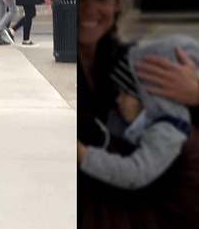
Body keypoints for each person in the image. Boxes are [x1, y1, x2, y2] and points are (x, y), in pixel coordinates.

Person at [78, 0, 199, 229]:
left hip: (136, 225)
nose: (89, 9)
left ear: (119, 2)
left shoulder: (141, 63)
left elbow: (141, 169)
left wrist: (196, 95)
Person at [78, 35, 199, 190]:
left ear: (150, 96)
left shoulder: (169, 131)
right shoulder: (151, 121)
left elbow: (135, 172)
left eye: (125, 93)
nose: (118, 100)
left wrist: (82, 154)